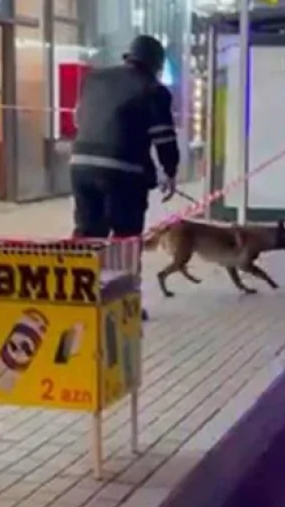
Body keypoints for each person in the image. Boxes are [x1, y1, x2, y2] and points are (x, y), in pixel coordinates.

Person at [70, 35, 180, 320]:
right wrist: (170, 170)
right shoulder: (154, 90)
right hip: (123, 171)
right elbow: (164, 137)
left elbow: (79, 119)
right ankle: (123, 304)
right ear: (155, 65)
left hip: (81, 165)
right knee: (125, 240)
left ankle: (78, 296)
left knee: (88, 234)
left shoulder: (94, 79)